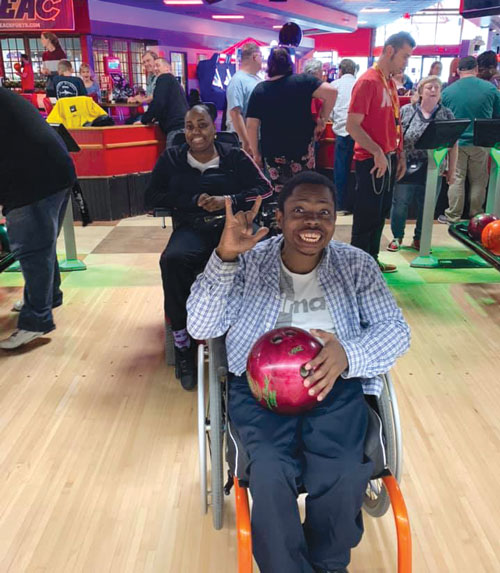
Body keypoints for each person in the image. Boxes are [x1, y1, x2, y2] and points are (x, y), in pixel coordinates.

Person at [186, 171, 411, 573]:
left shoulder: (356, 266)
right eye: (299, 211)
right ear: (280, 216)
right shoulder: (248, 261)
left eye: (323, 212)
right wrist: (224, 259)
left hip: (334, 384)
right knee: (271, 472)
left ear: (334, 219)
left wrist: (349, 354)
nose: (312, 222)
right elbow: (201, 328)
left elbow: (395, 331)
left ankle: (328, 564)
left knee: (342, 468)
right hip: (260, 389)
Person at [144, 104, 272, 389]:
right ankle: (182, 343)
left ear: (215, 128)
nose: (195, 132)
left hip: (233, 227)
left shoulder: (235, 156)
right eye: (189, 127)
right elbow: (151, 197)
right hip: (191, 227)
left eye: (202, 125)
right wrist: (190, 200)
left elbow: (265, 188)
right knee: (172, 261)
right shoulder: (171, 158)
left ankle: (250, 335)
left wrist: (227, 200)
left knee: (256, 262)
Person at [0, 87, 76, 350]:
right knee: (42, 246)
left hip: (33, 179)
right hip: (55, 169)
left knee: (32, 249)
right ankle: (47, 298)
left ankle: (36, 321)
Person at [346, 31, 416, 274]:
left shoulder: (388, 82)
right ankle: (357, 267)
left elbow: (393, 123)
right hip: (371, 160)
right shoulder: (368, 81)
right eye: (405, 56)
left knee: (379, 215)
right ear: (389, 51)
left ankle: (371, 261)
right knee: (366, 216)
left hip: (388, 157)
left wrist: (400, 155)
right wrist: (376, 152)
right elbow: (352, 125)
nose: (406, 62)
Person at [246, 48, 338, 194]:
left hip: (273, 153)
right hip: (302, 150)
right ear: (290, 64)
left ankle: (282, 215)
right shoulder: (303, 81)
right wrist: (322, 119)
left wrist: (256, 154)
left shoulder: (260, 90)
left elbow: (251, 126)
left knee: (279, 195)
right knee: (303, 192)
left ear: (269, 65)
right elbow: (332, 92)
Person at [387, 76, 457, 252]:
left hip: (434, 167)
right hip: (407, 165)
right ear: (420, 91)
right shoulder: (406, 111)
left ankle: (420, 238)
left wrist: (452, 169)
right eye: (429, 87)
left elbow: (453, 143)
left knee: (427, 205)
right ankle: (397, 236)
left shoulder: (446, 114)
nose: (433, 90)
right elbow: (396, 136)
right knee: (400, 203)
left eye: (436, 88)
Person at [440, 56, 500, 224]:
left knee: (456, 178)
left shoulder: (448, 91)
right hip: (481, 141)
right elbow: (497, 115)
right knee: (479, 179)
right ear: (476, 69)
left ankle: (453, 216)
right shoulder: (490, 89)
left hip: (456, 141)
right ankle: (477, 216)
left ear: (459, 70)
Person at [139, 57, 188, 146]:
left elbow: (158, 102)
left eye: (158, 66)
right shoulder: (174, 82)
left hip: (175, 128)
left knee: (171, 158)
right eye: (154, 67)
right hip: (185, 126)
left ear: (167, 68)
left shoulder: (164, 78)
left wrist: (145, 119)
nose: (155, 69)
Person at [226, 42, 263, 156]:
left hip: (257, 139)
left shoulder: (257, 79)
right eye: (261, 57)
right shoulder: (238, 81)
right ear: (255, 57)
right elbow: (235, 114)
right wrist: (248, 143)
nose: (262, 61)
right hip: (243, 143)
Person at [331, 58, 357, 215]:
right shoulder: (360, 83)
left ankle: (340, 206)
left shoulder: (335, 85)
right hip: (359, 132)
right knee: (360, 172)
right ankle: (358, 205)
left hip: (341, 131)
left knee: (340, 170)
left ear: (340, 70)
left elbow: (330, 110)